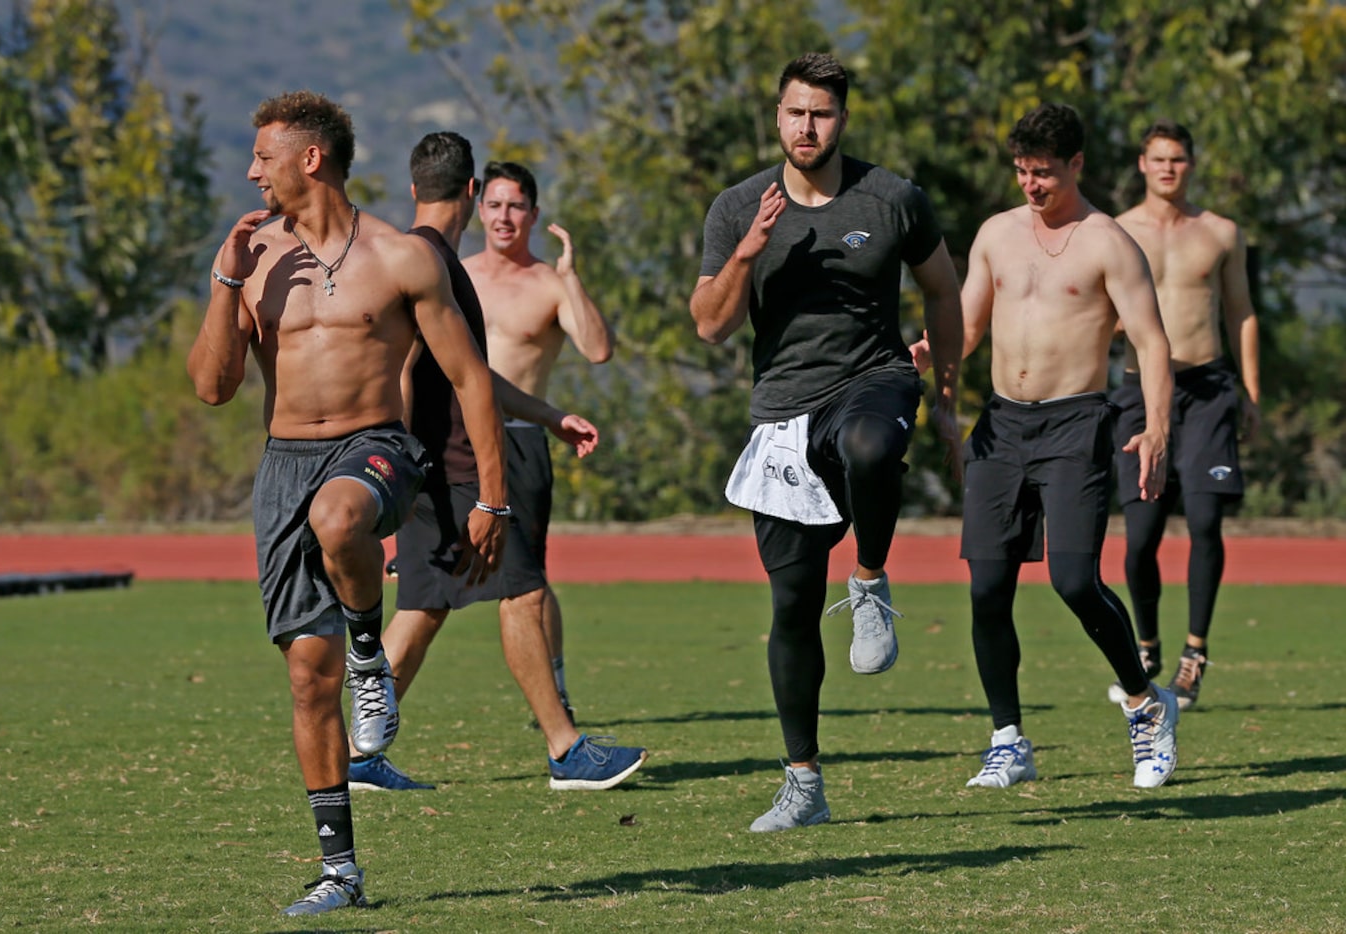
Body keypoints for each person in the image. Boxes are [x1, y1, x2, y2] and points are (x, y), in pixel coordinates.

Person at [185, 93, 508, 916]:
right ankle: (342, 872)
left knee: (340, 520)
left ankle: (372, 648)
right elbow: (213, 388)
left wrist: (493, 501)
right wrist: (226, 282)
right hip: (283, 463)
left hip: (378, 450)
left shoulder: (402, 257)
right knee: (306, 679)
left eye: (264, 156)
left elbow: (471, 380)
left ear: (311, 159)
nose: (252, 170)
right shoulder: (254, 257)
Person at [690, 52, 963, 832]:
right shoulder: (738, 206)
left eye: (822, 114)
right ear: (776, 117)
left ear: (844, 119)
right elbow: (709, 324)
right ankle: (803, 782)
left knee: (875, 446)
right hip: (782, 414)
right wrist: (748, 251)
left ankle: (871, 580)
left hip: (874, 378)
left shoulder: (892, 197)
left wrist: (944, 400)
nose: (807, 127)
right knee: (791, 604)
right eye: (795, 113)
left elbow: (942, 292)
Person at [346, 131, 645, 794]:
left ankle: (360, 756)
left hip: (421, 464)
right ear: (474, 195)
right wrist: (485, 493)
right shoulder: (438, 266)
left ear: (414, 184)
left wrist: (546, 416)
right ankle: (566, 750)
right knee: (523, 590)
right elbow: (455, 381)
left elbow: (461, 369)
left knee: (424, 605)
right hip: (454, 465)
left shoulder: (404, 256)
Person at [956, 102, 1179, 791]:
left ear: (1076, 165)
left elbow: (1151, 341)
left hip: (1077, 423)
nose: (1031, 184)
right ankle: (1007, 739)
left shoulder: (1108, 241)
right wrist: (928, 365)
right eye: (1023, 171)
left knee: (1074, 580)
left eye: (1045, 173)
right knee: (988, 589)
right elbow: (963, 331)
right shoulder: (995, 235)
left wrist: (1159, 430)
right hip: (1000, 426)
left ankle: (1145, 704)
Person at [1108, 119, 1261, 710]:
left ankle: (1194, 653)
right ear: (1142, 165)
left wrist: (1249, 391)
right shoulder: (1117, 232)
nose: (1168, 168)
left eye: (1178, 159)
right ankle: (1146, 645)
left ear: (1191, 165)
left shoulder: (1220, 232)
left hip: (1208, 388)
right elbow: (1098, 311)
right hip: (1140, 389)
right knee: (1141, 534)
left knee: (1204, 520)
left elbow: (1243, 312)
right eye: (1158, 159)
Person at [463, 160, 615, 719]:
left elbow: (598, 350)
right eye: (495, 204)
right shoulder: (456, 275)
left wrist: (571, 277)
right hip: (456, 440)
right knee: (426, 590)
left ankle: (555, 691)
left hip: (522, 441)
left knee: (528, 580)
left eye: (517, 206)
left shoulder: (550, 282)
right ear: (479, 208)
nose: (505, 216)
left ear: (534, 214)